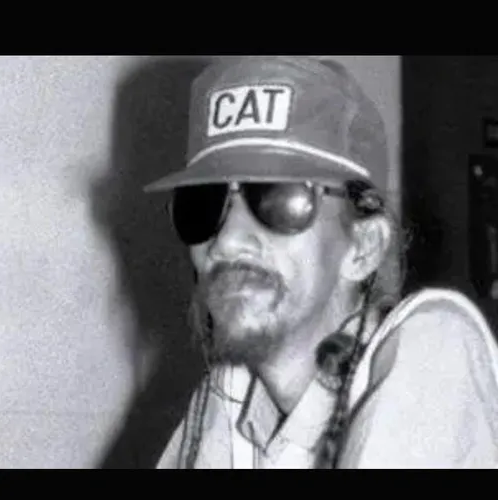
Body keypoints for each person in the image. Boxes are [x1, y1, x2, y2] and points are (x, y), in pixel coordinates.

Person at [143, 56, 498, 469]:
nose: (227, 240)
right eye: (202, 204)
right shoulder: (231, 399)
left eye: (279, 198)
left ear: (363, 247)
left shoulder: (435, 349)